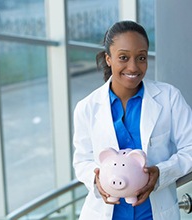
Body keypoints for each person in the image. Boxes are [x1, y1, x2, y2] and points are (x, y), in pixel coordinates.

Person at [73, 20, 192, 220]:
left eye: (141, 57)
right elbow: (81, 160)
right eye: (123, 57)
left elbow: (190, 147)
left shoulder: (169, 97)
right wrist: (97, 180)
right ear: (108, 58)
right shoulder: (87, 107)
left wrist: (161, 174)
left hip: (154, 213)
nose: (133, 66)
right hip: (105, 213)